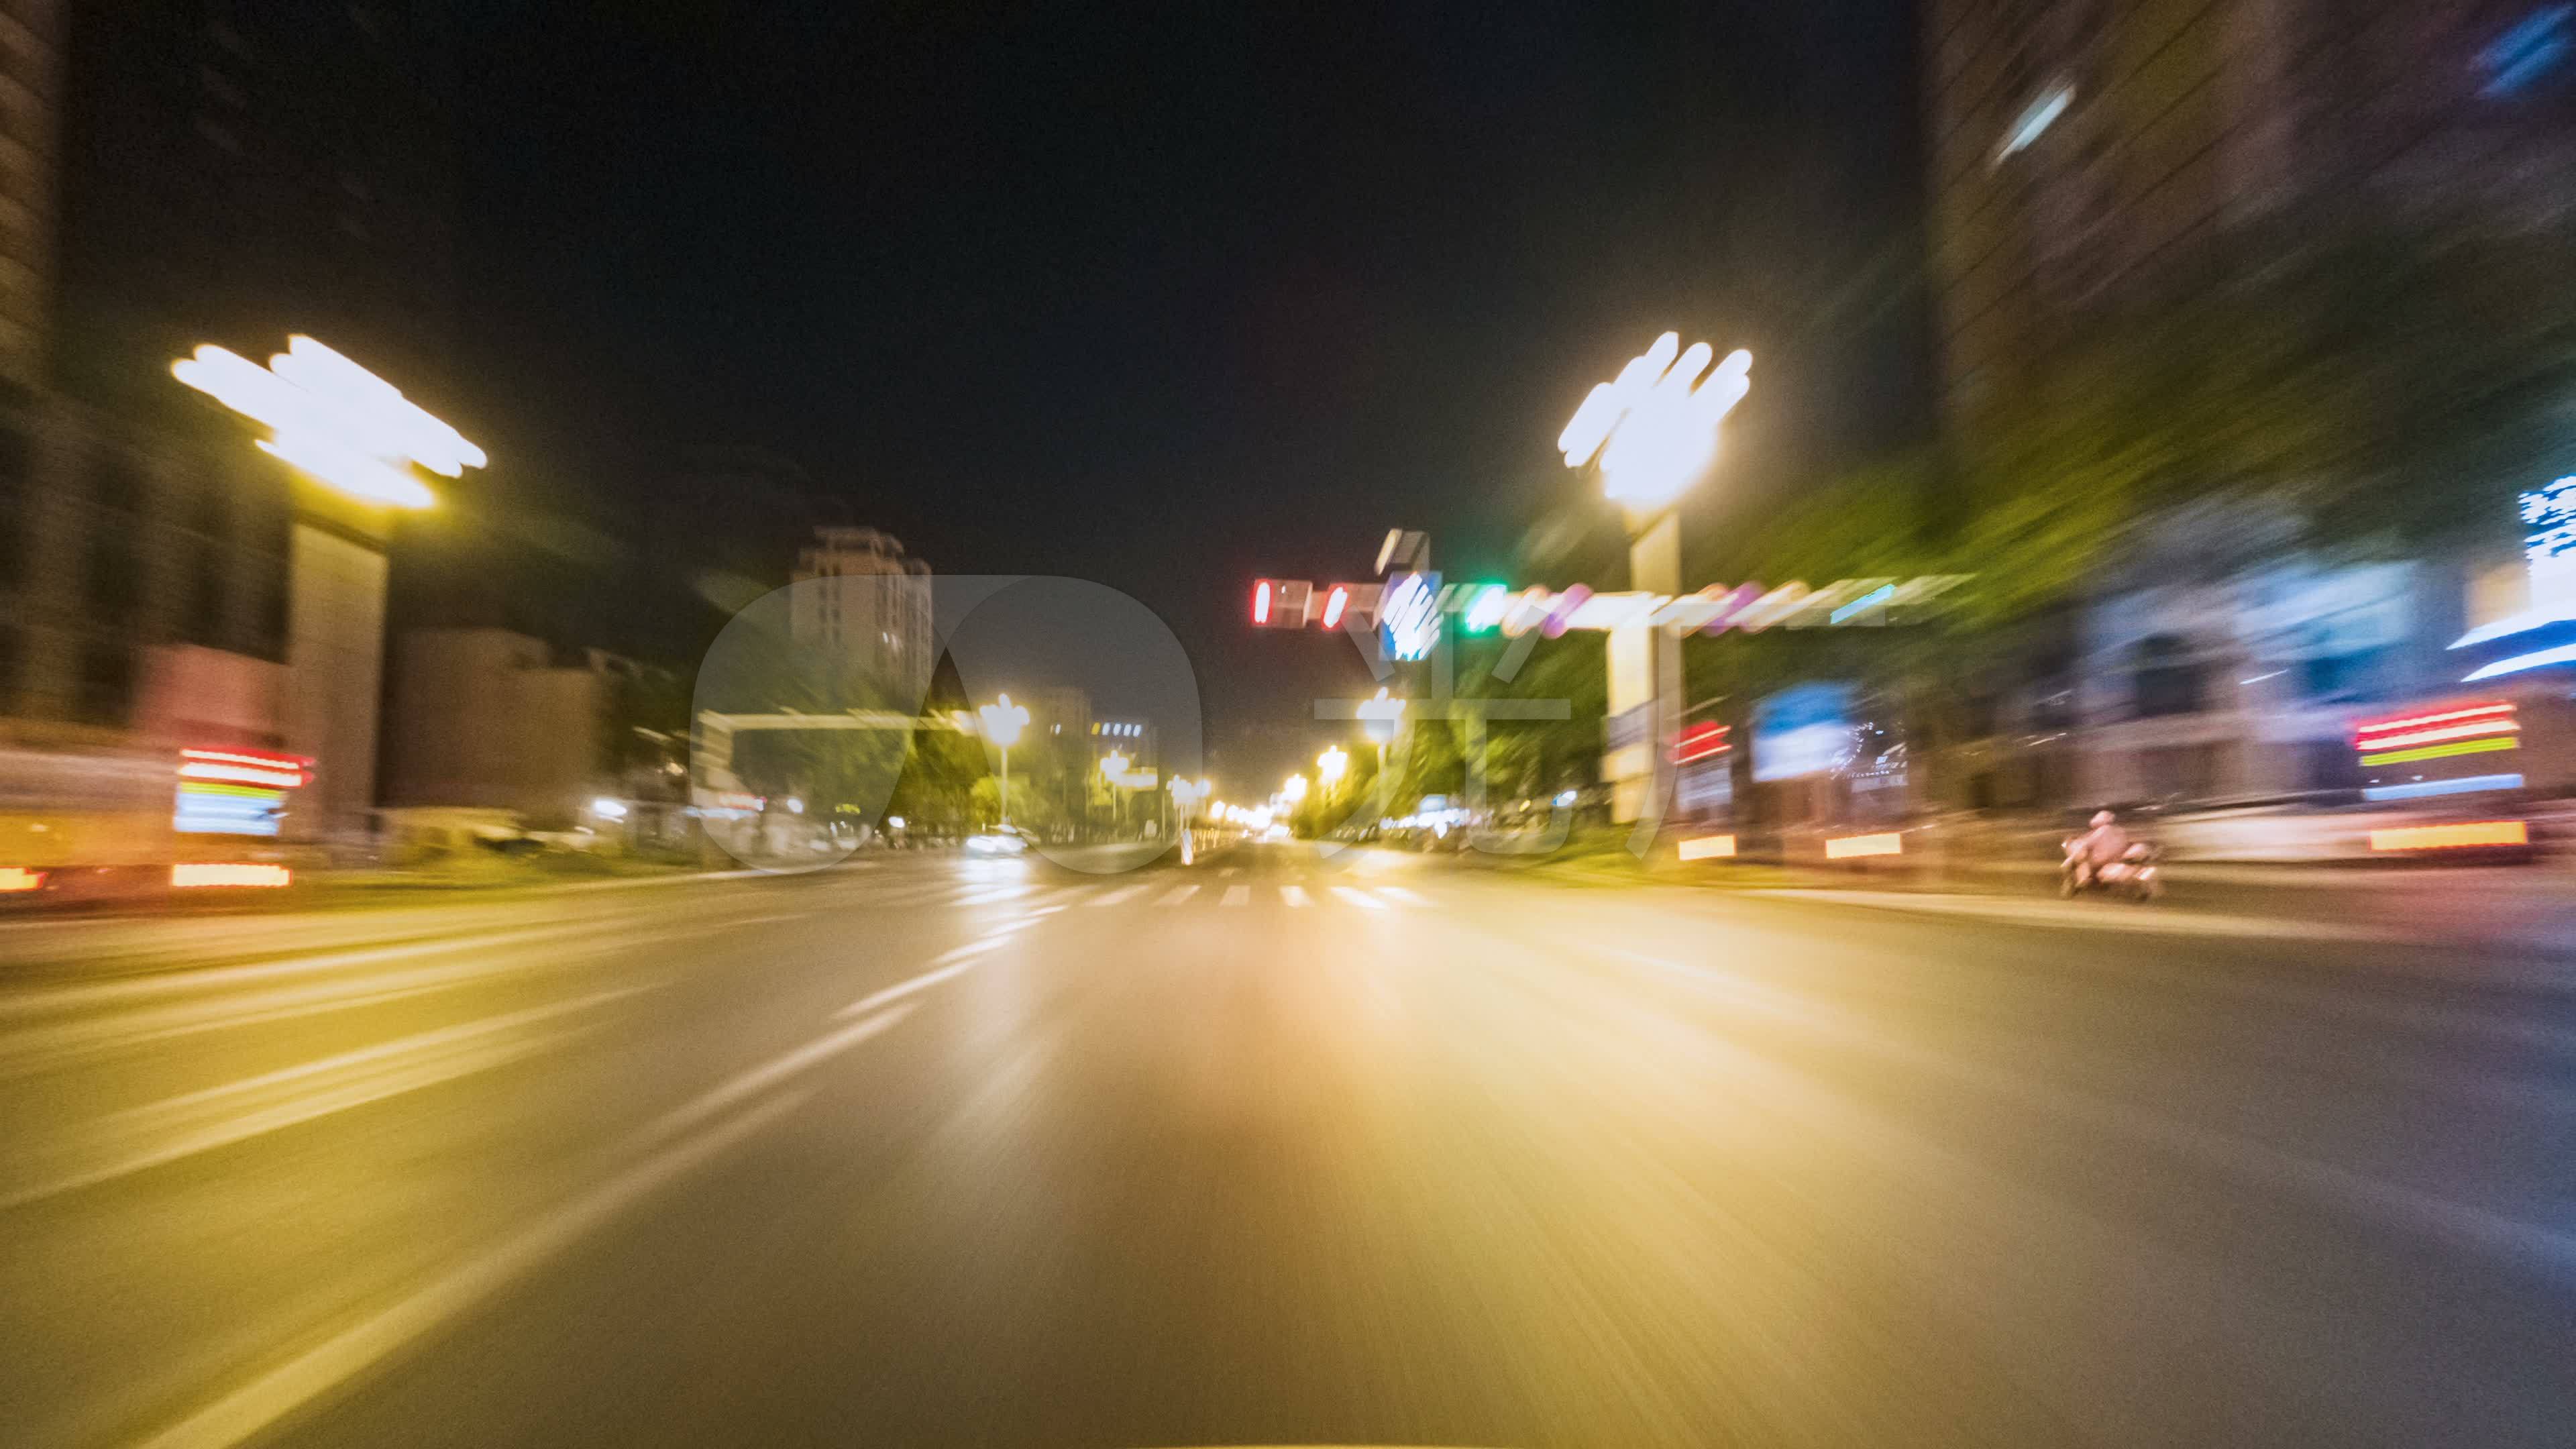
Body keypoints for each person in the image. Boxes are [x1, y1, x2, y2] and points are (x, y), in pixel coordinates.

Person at [2070, 808, 2132, 886]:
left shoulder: (2102, 830)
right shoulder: (2119, 830)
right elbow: (2126, 843)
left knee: (2082, 860)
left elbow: (2088, 843)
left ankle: (2083, 880)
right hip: (2117, 858)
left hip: (2101, 859)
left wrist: (2079, 842)